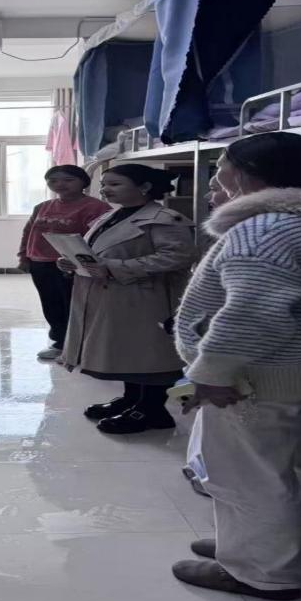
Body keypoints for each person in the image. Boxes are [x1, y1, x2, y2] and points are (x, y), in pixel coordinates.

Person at [171, 132, 301, 601]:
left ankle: (259, 571)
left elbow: (253, 316)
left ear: (245, 174)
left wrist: (211, 375)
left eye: (220, 167)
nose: (214, 179)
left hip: (256, 376)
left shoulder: (263, 231)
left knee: (248, 474)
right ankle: (288, 547)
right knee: (295, 463)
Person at [59, 163, 197, 434]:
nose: (105, 190)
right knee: (127, 350)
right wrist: (73, 262)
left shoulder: (165, 219)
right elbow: (97, 252)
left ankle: (152, 410)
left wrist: (115, 267)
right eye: (104, 185)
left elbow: (178, 256)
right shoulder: (111, 216)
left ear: (144, 187)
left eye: (115, 184)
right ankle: (131, 399)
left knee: (149, 353)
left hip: (148, 297)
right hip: (113, 294)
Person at [17, 165, 112, 360]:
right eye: (53, 181)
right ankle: (60, 342)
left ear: (83, 182)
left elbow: (100, 239)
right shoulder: (43, 206)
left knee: (75, 305)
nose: (60, 184)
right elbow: (28, 232)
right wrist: (23, 257)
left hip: (74, 265)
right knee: (51, 304)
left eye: (68, 180)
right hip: (40, 262)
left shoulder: (97, 208)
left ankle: (81, 345)